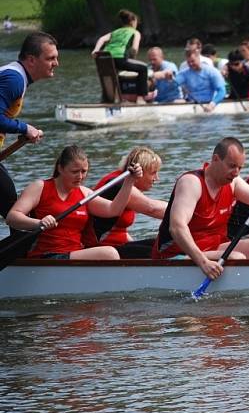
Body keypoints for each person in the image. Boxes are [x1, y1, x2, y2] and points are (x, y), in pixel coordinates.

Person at [152, 137, 249, 279]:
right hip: (178, 254)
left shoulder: (233, 183)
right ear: (216, 159)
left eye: (240, 167)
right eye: (232, 166)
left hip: (214, 248)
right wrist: (203, 262)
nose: (236, 172)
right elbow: (177, 227)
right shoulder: (191, 183)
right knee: (237, 257)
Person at [6, 145, 143, 259]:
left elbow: (113, 210)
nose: (80, 177)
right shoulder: (39, 187)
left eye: (84, 171)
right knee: (110, 253)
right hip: (46, 255)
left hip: (74, 253)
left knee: (113, 252)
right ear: (60, 168)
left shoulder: (85, 193)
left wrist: (129, 181)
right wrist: (39, 223)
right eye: (75, 172)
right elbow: (12, 217)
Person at [1, 32, 58, 218]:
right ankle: (24, 247)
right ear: (31, 60)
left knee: (12, 205)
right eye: (50, 58)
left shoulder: (16, 76)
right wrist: (25, 128)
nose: (56, 63)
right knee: (14, 209)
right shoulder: (14, 80)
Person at [82, 146, 167, 258]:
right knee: (169, 248)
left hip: (116, 245)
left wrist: (134, 244)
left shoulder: (121, 180)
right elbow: (152, 208)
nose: (157, 178)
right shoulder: (118, 184)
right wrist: (189, 211)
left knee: (164, 244)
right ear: (140, 171)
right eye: (153, 173)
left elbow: (119, 230)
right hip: (102, 249)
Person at [91, 9, 149, 101]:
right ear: (132, 21)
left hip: (104, 59)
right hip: (119, 59)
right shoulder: (135, 32)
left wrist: (95, 50)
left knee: (111, 75)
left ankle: (107, 100)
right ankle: (141, 98)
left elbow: (102, 39)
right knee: (143, 68)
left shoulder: (115, 32)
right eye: (136, 23)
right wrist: (132, 58)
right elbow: (134, 49)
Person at [155, 49, 226, 112]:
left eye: (193, 61)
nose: (191, 64)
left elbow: (222, 90)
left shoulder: (212, 71)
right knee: (176, 101)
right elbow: (174, 84)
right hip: (191, 102)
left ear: (199, 58)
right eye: (188, 62)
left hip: (209, 102)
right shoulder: (184, 73)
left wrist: (212, 104)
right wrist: (168, 79)